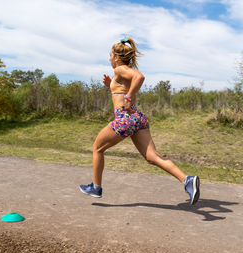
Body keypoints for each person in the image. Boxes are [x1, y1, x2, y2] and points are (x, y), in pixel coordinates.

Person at [79, 37, 200, 205]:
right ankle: (187, 180)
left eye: (110, 55)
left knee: (97, 148)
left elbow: (140, 77)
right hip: (138, 118)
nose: (109, 59)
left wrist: (129, 96)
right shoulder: (120, 74)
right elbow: (123, 88)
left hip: (125, 118)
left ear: (116, 57)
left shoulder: (121, 69)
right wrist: (111, 85)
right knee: (152, 157)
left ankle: (96, 187)